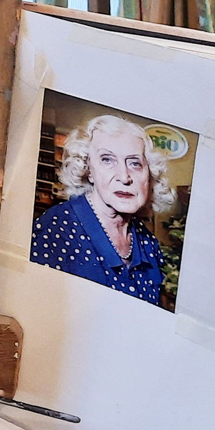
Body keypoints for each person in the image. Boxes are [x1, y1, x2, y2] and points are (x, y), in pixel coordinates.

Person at [31, 114, 175, 305]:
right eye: (107, 160)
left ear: (148, 175)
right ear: (88, 170)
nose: (124, 177)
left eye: (135, 163)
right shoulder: (55, 229)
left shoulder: (149, 244)